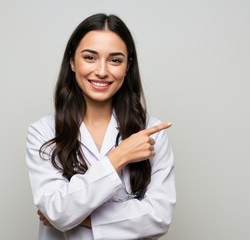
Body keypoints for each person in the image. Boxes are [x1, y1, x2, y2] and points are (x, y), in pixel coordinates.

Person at [26, 13, 176, 240]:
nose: (102, 71)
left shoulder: (151, 132)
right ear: (72, 61)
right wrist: (119, 156)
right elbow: (58, 211)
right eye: (90, 57)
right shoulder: (43, 132)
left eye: (115, 60)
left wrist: (81, 217)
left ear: (127, 67)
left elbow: (159, 217)